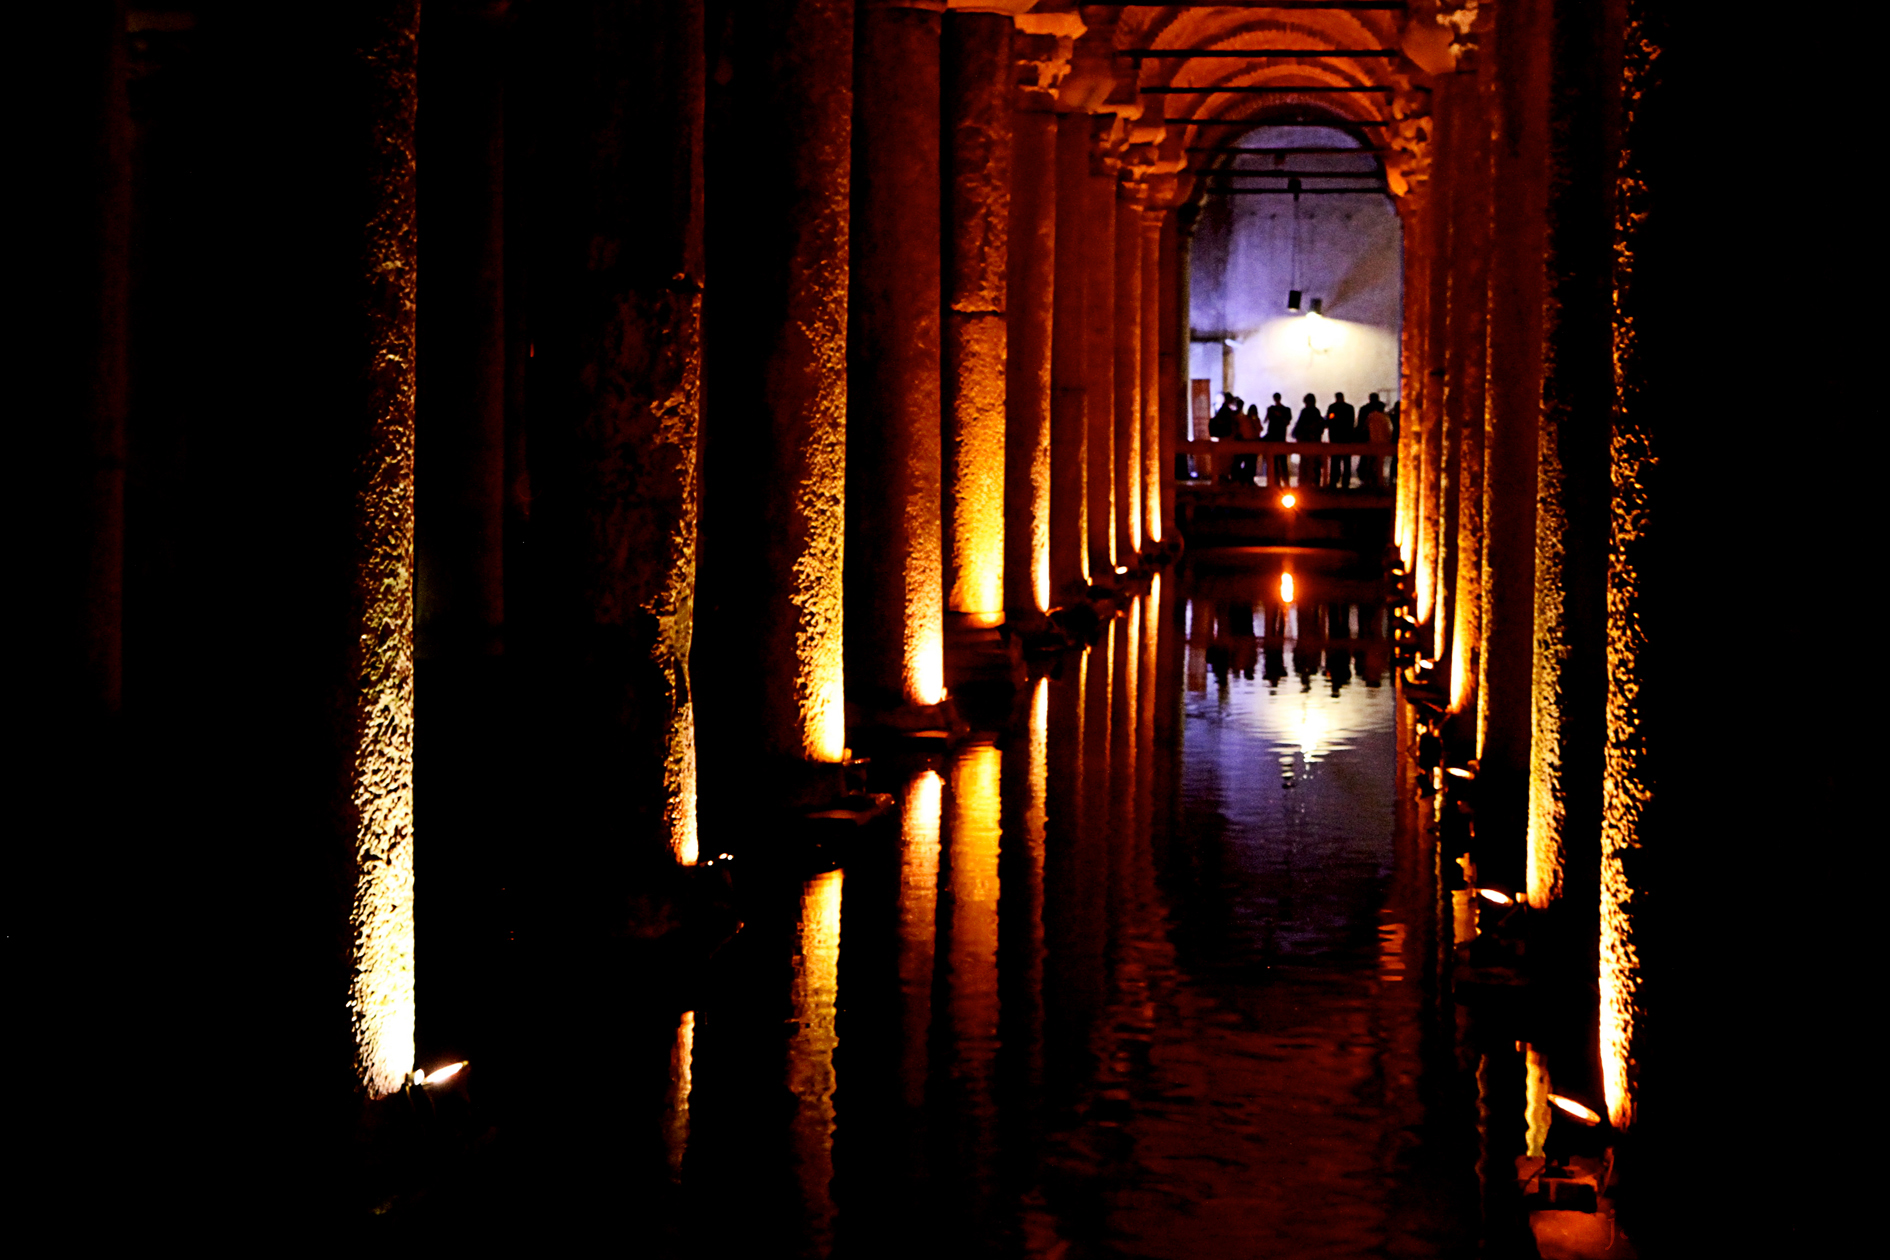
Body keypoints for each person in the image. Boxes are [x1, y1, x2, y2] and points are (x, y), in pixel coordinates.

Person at [1292, 392, 1324, 487]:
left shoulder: (1307, 412)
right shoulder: (1314, 412)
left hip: (1308, 441)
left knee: (1308, 463)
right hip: (1310, 441)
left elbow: (1300, 426)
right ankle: (1312, 481)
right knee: (1311, 463)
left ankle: (1305, 481)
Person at [1326, 391, 1356, 488]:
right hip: (1347, 437)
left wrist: (1335, 419)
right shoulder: (1349, 408)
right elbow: (1351, 422)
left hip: (1335, 438)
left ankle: (1334, 480)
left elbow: (1329, 420)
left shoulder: (1332, 407)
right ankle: (1345, 481)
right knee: (1347, 461)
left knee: (1335, 461)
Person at [1359, 392, 1391, 487]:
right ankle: (1378, 480)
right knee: (1378, 463)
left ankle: (1367, 479)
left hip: (1370, 441)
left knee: (1368, 461)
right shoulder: (1385, 417)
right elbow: (1388, 430)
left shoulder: (1369, 414)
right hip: (1383, 442)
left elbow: (1363, 427)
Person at [1263, 392, 1292, 486]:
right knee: (1278, 462)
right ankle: (1281, 482)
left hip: (1277, 438)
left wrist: (1276, 414)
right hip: (1278, 438)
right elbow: (1266, 420)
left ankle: (1279, 482)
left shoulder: (1283, 410)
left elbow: (1286, 421)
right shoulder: (1284, 410)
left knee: (1278, 462)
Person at [1230, 403, 1262, 484]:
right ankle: (1246, 479)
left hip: (1253, 443)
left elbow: (1259, 428)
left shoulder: (1255, 419)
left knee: (1252, 463)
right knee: (1248, 462)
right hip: (1247, 443)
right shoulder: (1245, 420)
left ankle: (1250, 479)